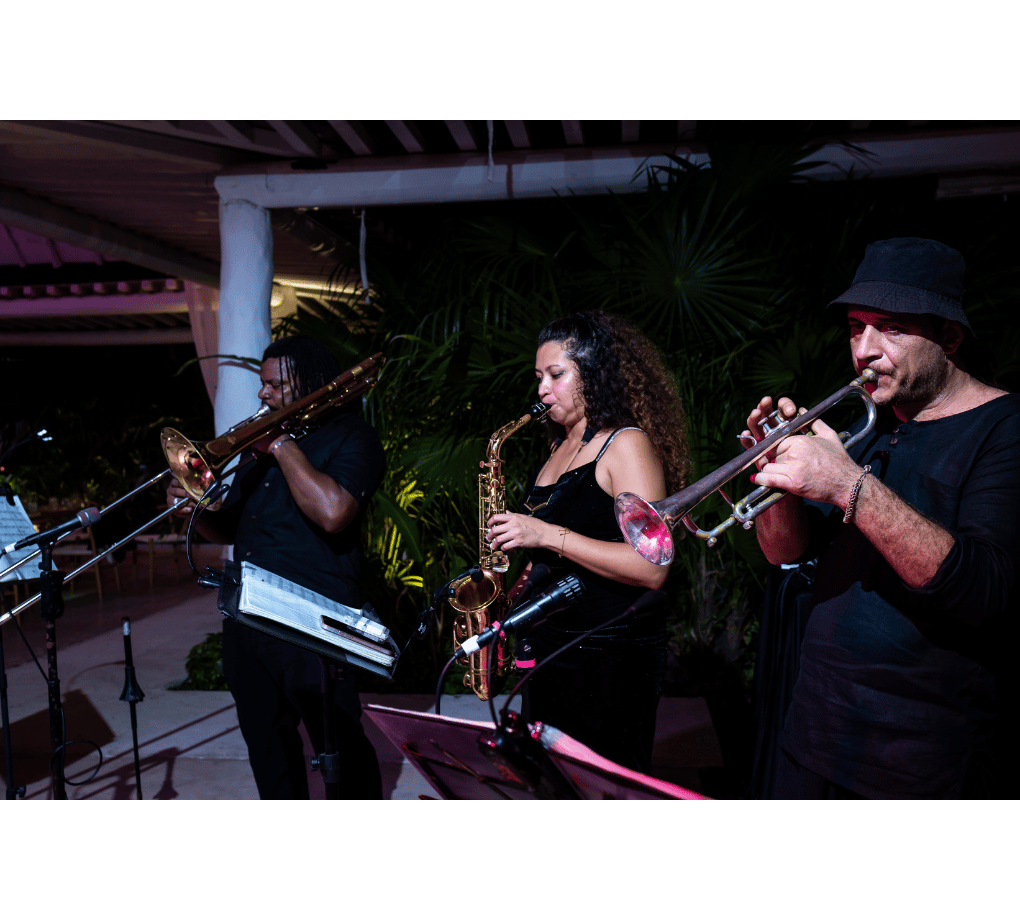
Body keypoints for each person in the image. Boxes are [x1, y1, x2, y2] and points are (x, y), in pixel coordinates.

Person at [744, 237, 1020, 799]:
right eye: (855, 326)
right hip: (814, 737)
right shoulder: (871, 428)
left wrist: (847, 483)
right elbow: (788, 554)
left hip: (920, 765)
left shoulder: (1004, 428)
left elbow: (983, 588)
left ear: (949, 336)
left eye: (890, 326)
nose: (864, 348)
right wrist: (777, 480)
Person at [167, 335, 386, 799]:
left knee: (340, 744)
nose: (262, 395)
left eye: (274, 384)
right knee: (268, 747)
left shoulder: (354, 437)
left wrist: (282, 445)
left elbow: (333, 512)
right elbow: (231, 529)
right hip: (248, 617)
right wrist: (197, 512)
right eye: (262, 385)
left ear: (310, 383)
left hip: (313, 621)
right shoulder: (258, 451)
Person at [485, 312, 691, 773]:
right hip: (550, 650)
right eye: (538, 377)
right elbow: (549, 559)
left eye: (557, 375)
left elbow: (652, 568)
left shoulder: (626, 444)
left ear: (594, 375)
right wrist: (503, 609)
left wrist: (546, 533)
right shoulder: (556, 452)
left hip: (609, 657)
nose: (542, 389)